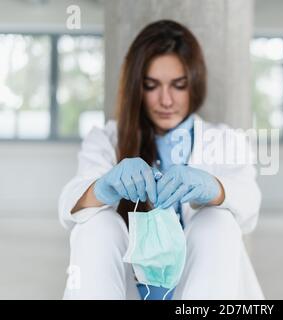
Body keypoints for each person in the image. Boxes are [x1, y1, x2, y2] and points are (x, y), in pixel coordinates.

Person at [58, 19, 263, 300]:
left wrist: (214, 187)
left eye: (178, 85)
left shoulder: (225, 141)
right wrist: (103, 188)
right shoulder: (106, 139)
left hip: (201, 290)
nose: (165, 100)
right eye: (151, 85)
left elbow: (250, 205)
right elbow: (69, 205)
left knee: (217, 220)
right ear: (136, 88)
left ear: (195, 83)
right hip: (126, 287)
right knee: (96, 224)